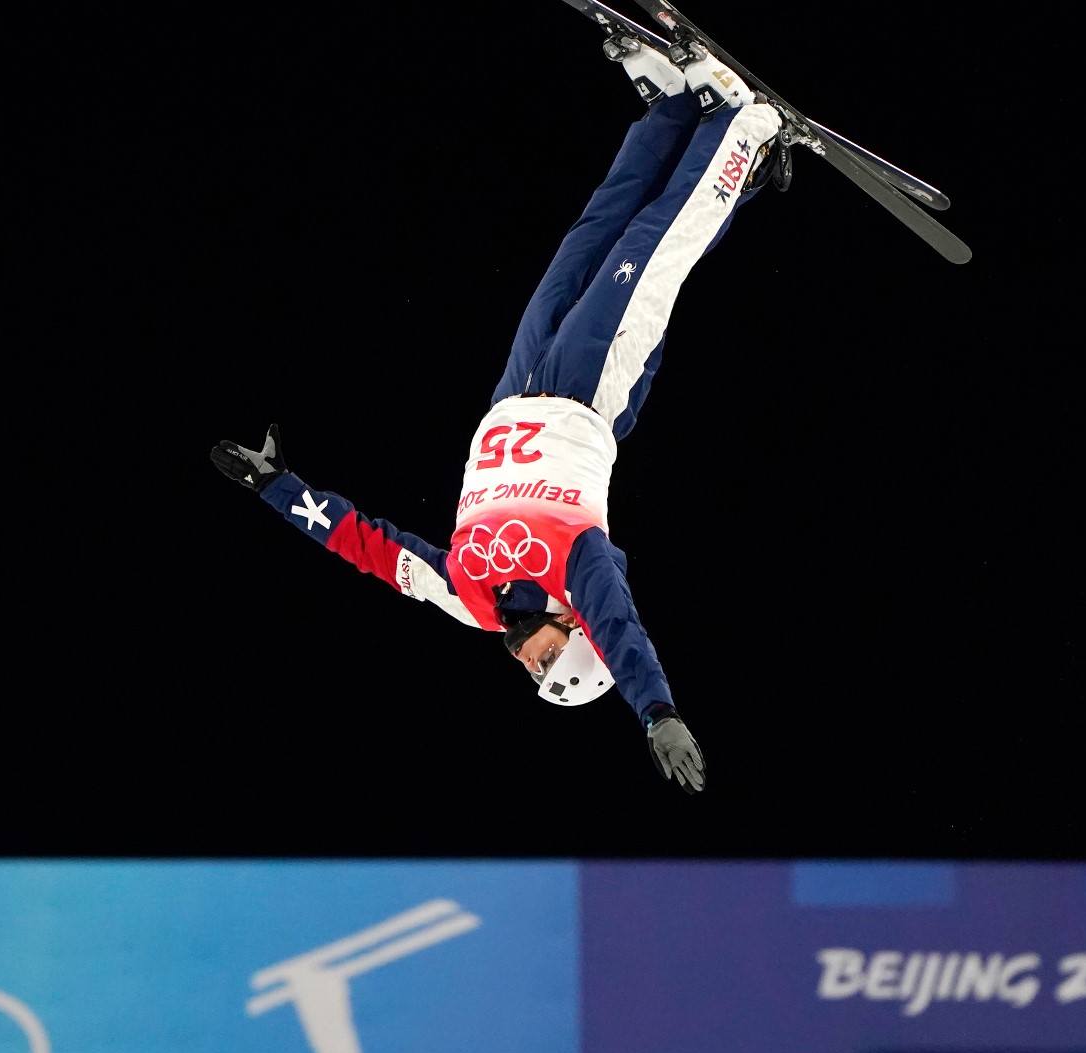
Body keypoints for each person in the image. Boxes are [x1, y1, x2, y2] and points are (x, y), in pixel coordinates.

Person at [210, 30, 790, 793]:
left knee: (588, 239)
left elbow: (372, 550)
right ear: (574, 635)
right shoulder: (583, 577)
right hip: (591, 394)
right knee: (652, 251)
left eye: (533, 673)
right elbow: (624, 632)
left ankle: (671, 111)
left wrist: (276, 489)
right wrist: (657, 712)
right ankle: (741, 131)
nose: (527, 658)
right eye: (551, 660)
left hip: (515, 393)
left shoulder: (472, 600)